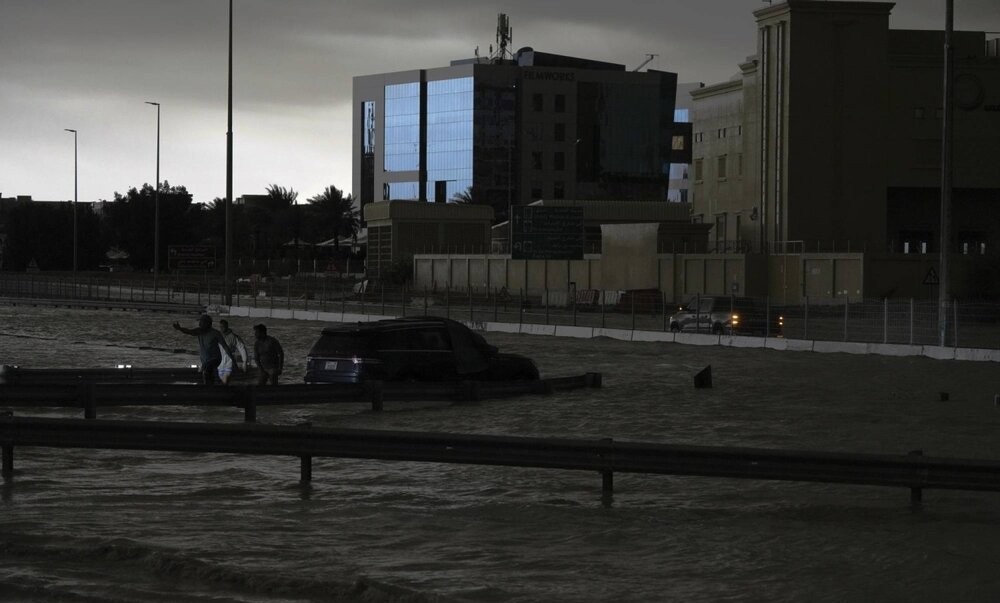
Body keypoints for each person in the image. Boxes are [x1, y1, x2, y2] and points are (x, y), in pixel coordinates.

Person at [173, 314, 237, 385]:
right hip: (205, 360)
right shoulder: (199, 331)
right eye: (200, 322)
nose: (200, 324)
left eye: (202, 322)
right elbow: (188, 331)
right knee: (208, 373)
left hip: (215, 359)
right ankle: (212, 386)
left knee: (207, 370)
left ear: (208, 324)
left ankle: (207, 387)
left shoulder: (215, 333)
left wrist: (234, 362)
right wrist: (180, 328)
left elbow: (225, 347)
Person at [217, 319, 249, 385]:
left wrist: (244, 361)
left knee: (225, 381)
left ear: (227, 326)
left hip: (229, 363)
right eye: (220, 327)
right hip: (219, 364)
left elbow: (242, 348)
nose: (221, 328)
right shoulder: (218, 336)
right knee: (222, 382)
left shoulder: (233, 337)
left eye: (223, 327)